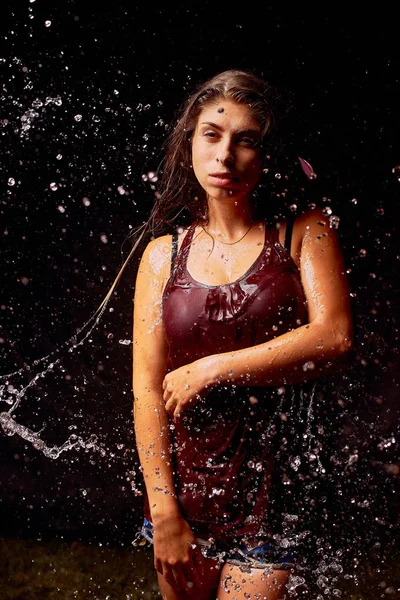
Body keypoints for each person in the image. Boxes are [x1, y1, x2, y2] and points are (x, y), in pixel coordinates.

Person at [132, 68, 353, 600]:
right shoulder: (164, 256)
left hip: (276, 498)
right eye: (212, 134)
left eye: (245, 140)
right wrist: (164, 513)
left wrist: (212, 367)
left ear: (266, 153)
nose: (225, 156)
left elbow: (334, 337)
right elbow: (146, 387)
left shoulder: (304, 232)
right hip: (187, 496)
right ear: (191, 143)